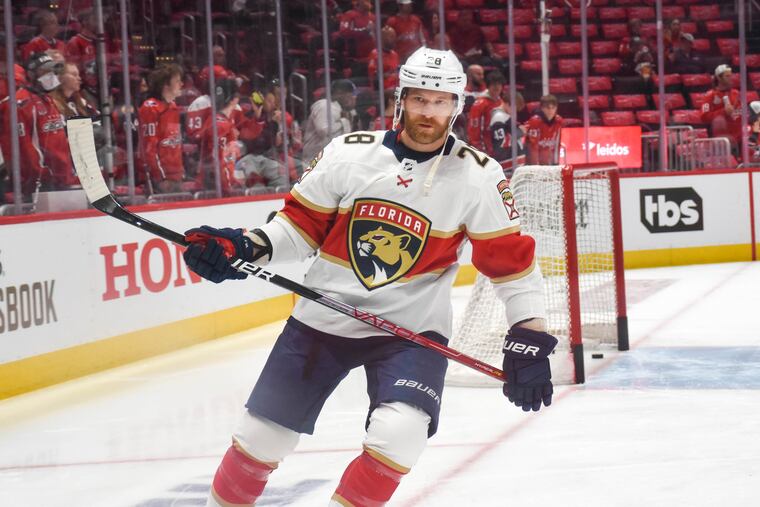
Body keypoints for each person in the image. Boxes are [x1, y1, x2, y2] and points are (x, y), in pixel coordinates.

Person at [181, 46, 556, 507]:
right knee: (261, 437)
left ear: (456, 106)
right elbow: (298, 229)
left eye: (440, 102)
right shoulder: (348, 153)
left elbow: (512, 267)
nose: (429, 112)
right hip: (324, 317)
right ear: (401, 99)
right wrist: (243, 246)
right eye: (420, 99)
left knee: (400, 435)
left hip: (411, 332)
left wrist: (529, 334)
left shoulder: (479, 176)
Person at [0, 53, 75, 195]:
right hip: (41, 185)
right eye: (46, 71)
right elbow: (25, 150)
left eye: (53, 71)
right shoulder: (19, 104)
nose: (52, 75)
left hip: (61, 180)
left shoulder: (47, 99)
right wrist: (42, 177)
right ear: (31, 74)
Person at [138, 64, 185, 193]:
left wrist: (180, 172)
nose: (181, 84)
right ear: (166, 85)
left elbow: (174, 142)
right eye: (177, 81)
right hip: (159, 180)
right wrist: (160, 177)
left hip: (176, 177)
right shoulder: (150, 108)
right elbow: (149, 149)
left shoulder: (173, 107)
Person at [197, 79, 244, 195]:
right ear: (235, 99)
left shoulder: (216, 121)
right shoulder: (221, 125)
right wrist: (229, 187)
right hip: (217, 190)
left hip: (218, 185)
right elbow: (219, 163)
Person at [301, 79, 357, 162]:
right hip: (314, 161)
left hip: (334, 159)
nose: (352, 98)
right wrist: (343, 121)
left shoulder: (345, 110)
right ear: (339, 93)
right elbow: (323, 130)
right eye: (350, 95)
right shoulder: (324, 105)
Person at [701, 64, 742, 149]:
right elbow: (704, 117)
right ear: (719, 78)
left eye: (731, 75)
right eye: (727, 76)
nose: (731, 78)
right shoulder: (710, 95)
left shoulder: (736, 93)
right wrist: (723, 112)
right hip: (722, 141)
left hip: (740, 138)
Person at [467, 70, 506, 156]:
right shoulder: (479, 104)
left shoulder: (502, 103)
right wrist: (480, 149)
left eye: (499, 84)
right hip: (484, 150)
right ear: (488, 86)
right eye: (494, 84)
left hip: (499, 148)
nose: (497, 87)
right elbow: (473, 130)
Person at [524, 94, 563, 165]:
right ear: (542, 108)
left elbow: (557, 144)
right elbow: (533, 147)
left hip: (548, 161)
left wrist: (556, 163)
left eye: (553, 108)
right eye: (548, 108)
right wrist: (536, 167)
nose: (551, 111)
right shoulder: (534, 122)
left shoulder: (558, 121)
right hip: (534, 163)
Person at [368, 26, 400, 92]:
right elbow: (374, 77)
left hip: (396, 90)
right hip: (382, 92)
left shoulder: (395, 54)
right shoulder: (375, 54)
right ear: (382, 38)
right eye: (391, 37)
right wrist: (389, 74)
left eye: (394, 36)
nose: (394, 39)